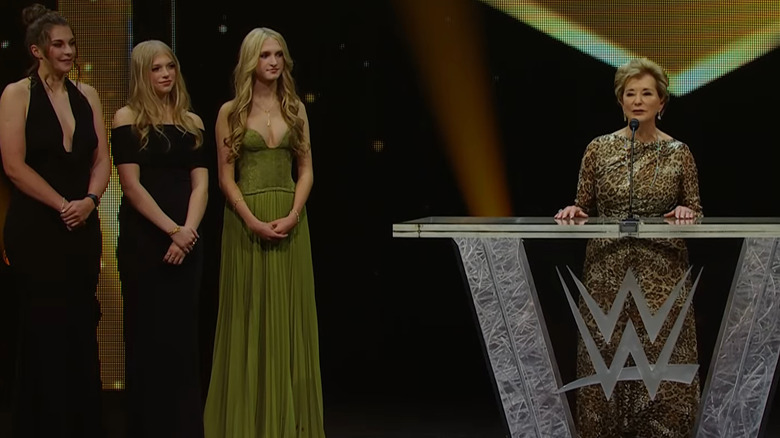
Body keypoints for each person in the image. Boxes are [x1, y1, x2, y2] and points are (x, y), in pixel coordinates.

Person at [555, 57, 702, 438]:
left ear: (661, 102)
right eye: (630, 93)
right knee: (606, 355)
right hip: (607, 269)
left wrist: (686, 212)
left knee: (662, 355)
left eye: (646, 93)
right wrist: (575, 211)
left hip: (662, 273)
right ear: (621, 101)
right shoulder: (598, 149)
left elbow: (695, 208)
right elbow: (584, 204)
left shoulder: (679, 152)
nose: (638, 101)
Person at [203, 27, 325, 437]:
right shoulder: (230, 112)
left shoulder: (295, 108)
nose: (273, 62)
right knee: (249, 316)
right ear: (250, 61)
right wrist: (251, 220)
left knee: (289, 320)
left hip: (291, 221)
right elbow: (225, 177)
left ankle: (290, 421)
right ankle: (250, 422)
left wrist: (293, 214)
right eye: (264, 55)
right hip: (246, 222)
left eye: (278, 54)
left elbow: (306, 171)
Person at [0, 4, 110, 436]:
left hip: (81, 226)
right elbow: (13, 165)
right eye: (59, 45)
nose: (68, 51)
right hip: (38, 228)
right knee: (44, 330)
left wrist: (89, 201)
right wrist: (62, 204)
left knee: (80, 327)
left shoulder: (88, 95)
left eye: (71, 44)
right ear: (38, 50)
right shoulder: (17, 94)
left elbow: (101, 159)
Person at [111, 39, 208, 438]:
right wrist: (171, 230)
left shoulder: (192, 122)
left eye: (170, 66)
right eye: (156, 68)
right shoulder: (126, 118)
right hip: (145, 241)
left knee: (181, 341)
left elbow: (201, 185)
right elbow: (131, 186)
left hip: (187, 240)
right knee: (147, 337)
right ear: (141, 74)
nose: (166, 74)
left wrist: (187, 233)